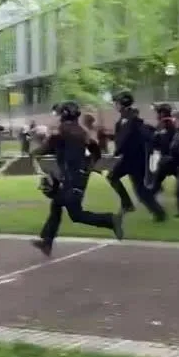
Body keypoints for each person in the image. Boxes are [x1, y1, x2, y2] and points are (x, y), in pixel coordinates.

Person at [30, 101, 124, 256]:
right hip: (76, 175)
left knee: (76, 215)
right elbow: (95, 149)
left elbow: (46, 147)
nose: (58, 116)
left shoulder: (61, 131)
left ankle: (111, 220)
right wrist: (89, 166)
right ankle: (47, 241)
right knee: (56, 204)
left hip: (73, 178)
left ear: (65, 114)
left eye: (60, 113)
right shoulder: (81, 131)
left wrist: (33, 152)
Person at [107, 90, 166, 221]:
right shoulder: (127, 118)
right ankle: (153, 211)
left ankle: (154, 211)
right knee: (116, 179)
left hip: (132, 159)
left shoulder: (130, 119)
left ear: (122, 103)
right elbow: (122, 137)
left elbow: (125, 138)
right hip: (130, 159)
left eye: (116, 102)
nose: (115, 105)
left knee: (138, 189)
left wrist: (115, 153)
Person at [148, 103, 176, 194]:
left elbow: (161, 140)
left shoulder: (165, 124)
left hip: (169, 157)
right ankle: (156, 187)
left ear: (163, 113)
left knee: (159, 171)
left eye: (158, 112)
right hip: (169, 156)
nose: (157, 115)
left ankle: (155, 189)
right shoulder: (170, 123)